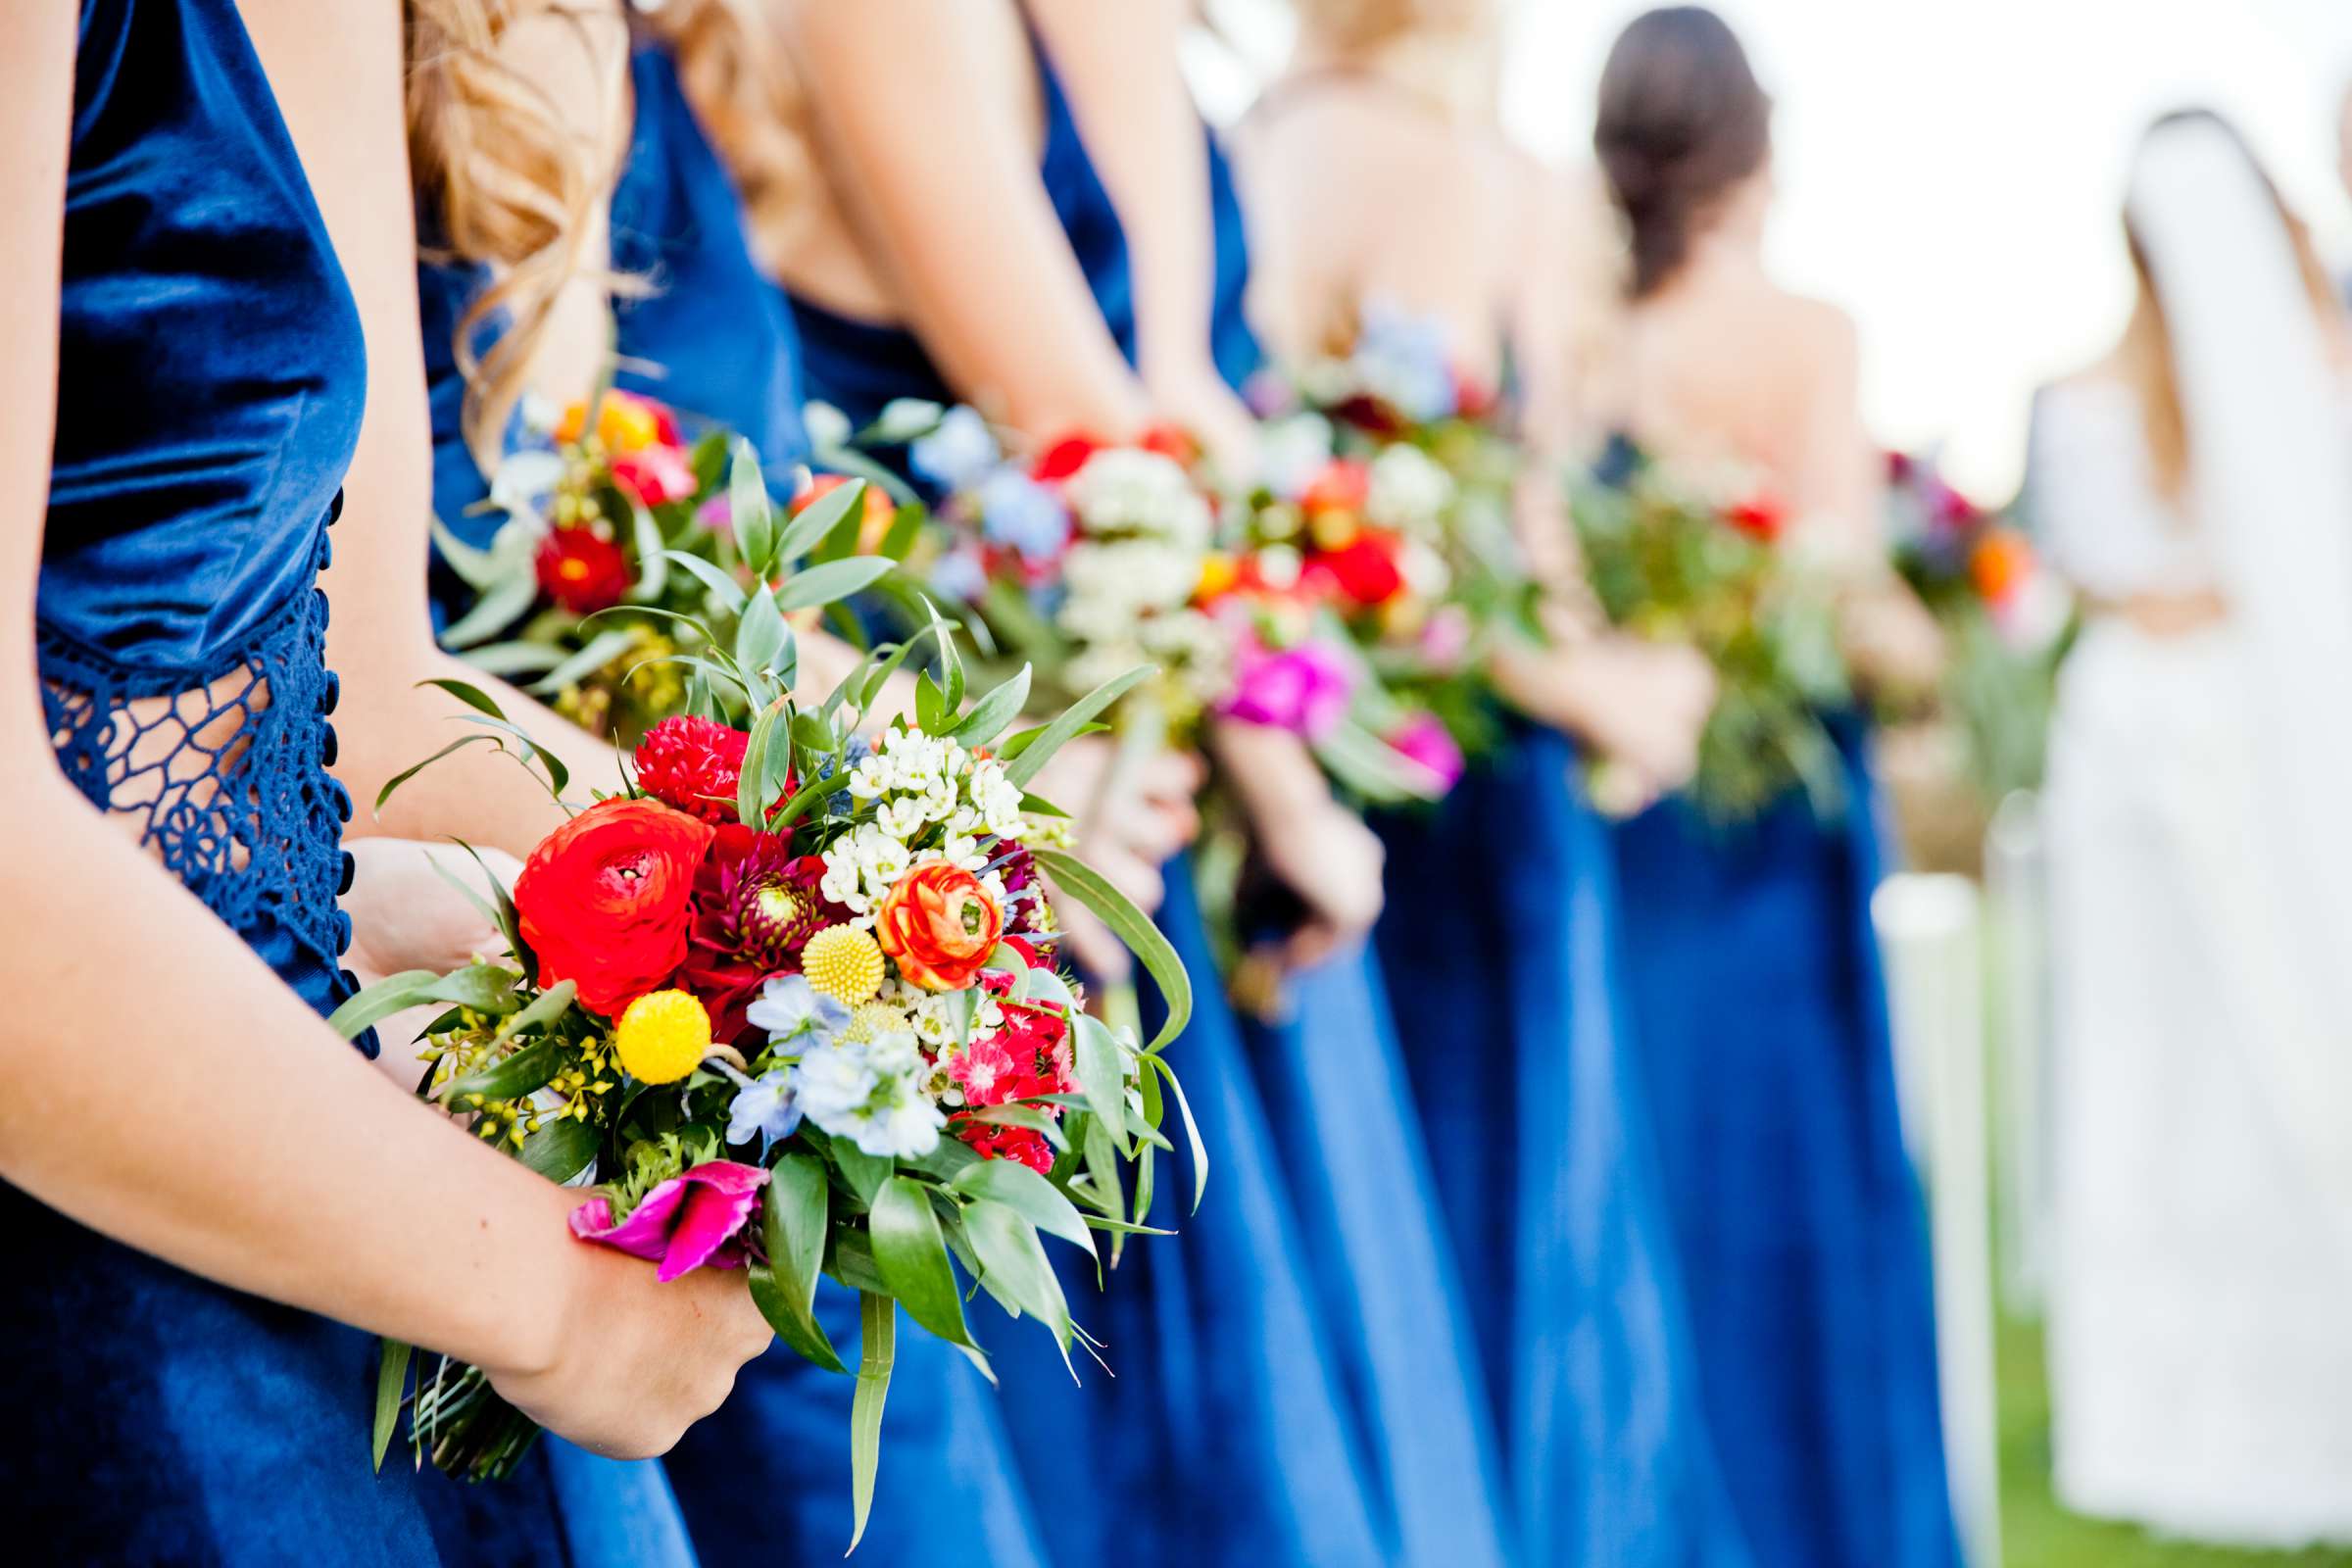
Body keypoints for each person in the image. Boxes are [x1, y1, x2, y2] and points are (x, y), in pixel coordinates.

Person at [0, 1, 775, 1561]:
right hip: (102, 1264)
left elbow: (366, 676)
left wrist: (803, 905)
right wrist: (552, 1303)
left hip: (338, 1160)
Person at [718, 3, 1410, 1562]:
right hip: (981, 727)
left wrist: (1277, 701)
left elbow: (1174, 394)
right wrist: (1288, 785)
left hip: (1140, 712)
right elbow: (1088, 424)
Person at [1236, 3, 1745, 1562]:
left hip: (1318, 765)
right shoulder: (1454, 170)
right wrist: (1627, 694)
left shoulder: (1259, 137)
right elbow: (1458, 539)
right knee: (1527, 1254)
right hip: (1472, 801)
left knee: (1386, 1266)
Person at [1589, 10, 1957, 1566]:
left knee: (1654, 1172)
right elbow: (1850, 594)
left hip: (1625, 817)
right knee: (1797, 1191)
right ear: (1752, 147)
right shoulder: (1809, 336)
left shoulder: (1587, 336)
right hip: (1771, 838)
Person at [2031, 108, 2352, 1547]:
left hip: (2130, 742)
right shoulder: (2314, 379)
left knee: (2149, 1061)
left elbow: (2089, 585)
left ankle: (2171, 1404)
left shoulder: (2078, 398)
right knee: (2252, 1039)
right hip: (2240, 729)